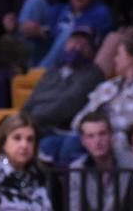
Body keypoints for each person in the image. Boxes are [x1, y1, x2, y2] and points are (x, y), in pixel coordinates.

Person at [70, 36, 133, 168]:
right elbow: (79, 119)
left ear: (132, 58)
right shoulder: (107, 86)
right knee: (59, 143)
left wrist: (104, 128)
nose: (114, 59)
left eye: (118, 55)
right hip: (93, 136)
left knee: (80, 144)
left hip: (124, 144)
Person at [22, 27, 105, 163]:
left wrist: (31, 120)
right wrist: (20, 119)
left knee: (47, 146)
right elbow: (31, 100)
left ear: (92, 51)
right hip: (37, 125)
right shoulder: (52, 71)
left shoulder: (93, 74)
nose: (76, 47)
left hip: (61, 129)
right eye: (73, 42)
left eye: (83, 44)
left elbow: (68, 104)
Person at [3, 0, 113, 69]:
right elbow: (38, 28)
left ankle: (38, 76)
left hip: (74, 64)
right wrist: (15, 26)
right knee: (35, 2)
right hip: (44, 55)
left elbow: (81, 36)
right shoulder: (61, 9)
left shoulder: (101, 12)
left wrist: (42, 32)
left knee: (68, 33)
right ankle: (19, 56)